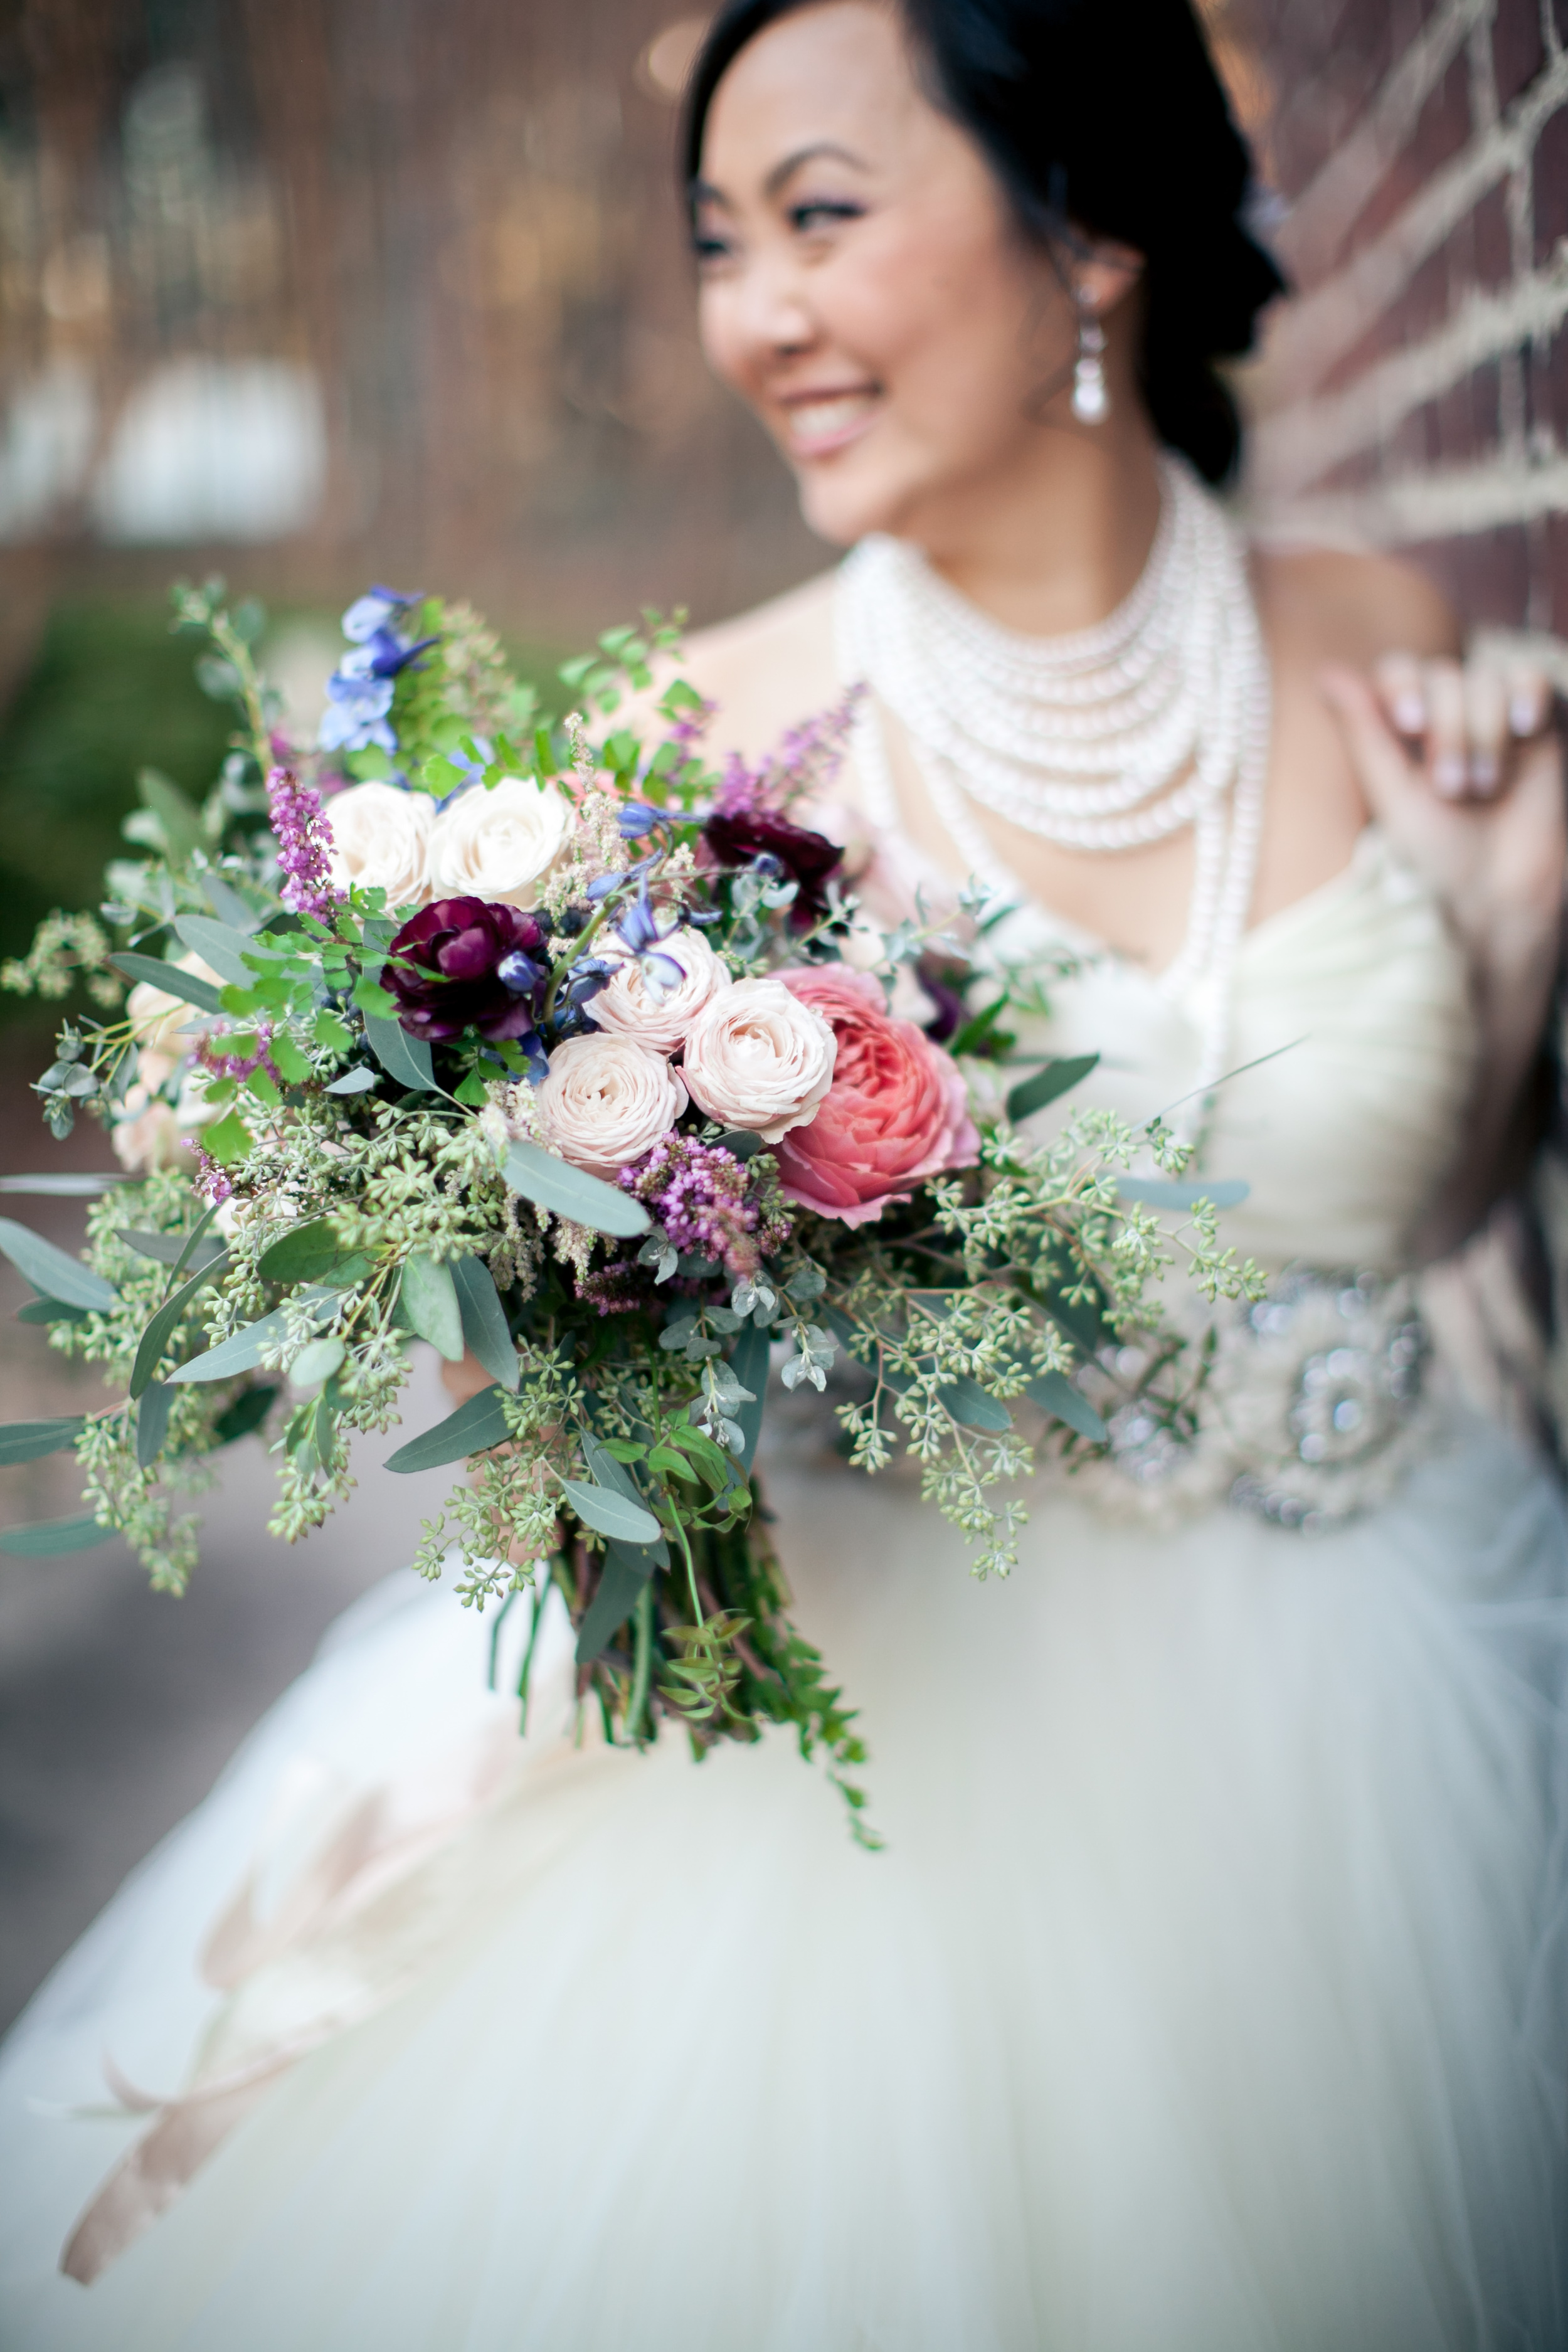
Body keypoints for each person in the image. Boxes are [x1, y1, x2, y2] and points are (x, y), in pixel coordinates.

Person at [2, 1, 1565, 2343]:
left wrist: (1512, 927)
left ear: (1092, 231)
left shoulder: (1389, 656)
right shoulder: (681, 765)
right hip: (876, 1774)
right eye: (719, 244)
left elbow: (1416, 1204)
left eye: (820, 218)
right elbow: (570, 1324)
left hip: (1386, 1714)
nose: (752, 315)